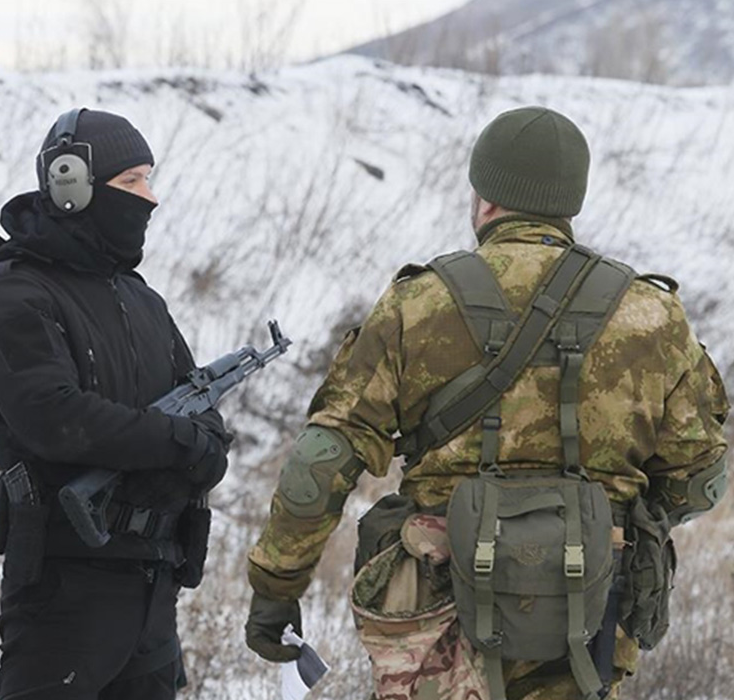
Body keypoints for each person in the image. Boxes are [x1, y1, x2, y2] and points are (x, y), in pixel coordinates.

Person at [244, 106, 728, 699]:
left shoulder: (414, 306)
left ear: (486, 197)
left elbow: (320, 462)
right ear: (570, 198)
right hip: (591, 614)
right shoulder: (650, 315)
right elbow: (700, 477)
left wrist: (276, 586)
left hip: (436, 619)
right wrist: (606, 519)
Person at [0, 108, 231, 700]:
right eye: (131, 182)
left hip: (153, 584)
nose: (149, 199)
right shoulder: (10, 292)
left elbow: (198, 402)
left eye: (150, 179)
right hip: (64, 589)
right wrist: (175, 445)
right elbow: (56, 418)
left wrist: (206, 449)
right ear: (70, 184)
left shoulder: (140, 298)